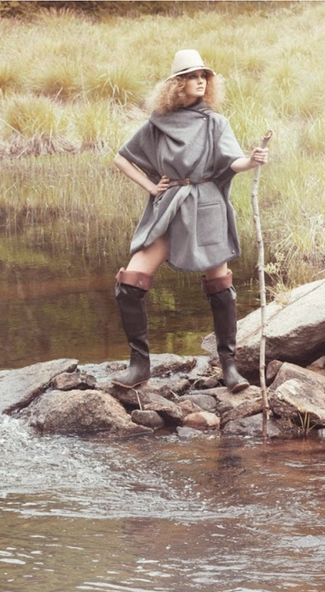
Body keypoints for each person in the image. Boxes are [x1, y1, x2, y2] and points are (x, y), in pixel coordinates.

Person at [111, 49, 268, 391]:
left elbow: (232, 162)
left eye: (204, 77)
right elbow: (122, 158)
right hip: (170, 205)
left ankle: (230, 367)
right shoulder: (158, 123)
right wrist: (152, 187)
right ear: (177, 84)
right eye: (192, 76)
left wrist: (250, 159)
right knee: (130, 282)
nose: (200, 81)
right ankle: (139, 365)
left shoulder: (215, 122)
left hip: (206, 205)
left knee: (219, 283)